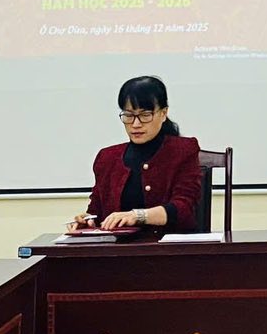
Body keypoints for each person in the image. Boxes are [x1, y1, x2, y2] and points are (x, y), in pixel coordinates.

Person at [67, 76, 203, 233]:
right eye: (129, 115)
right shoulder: (107, 158)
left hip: (168, 245)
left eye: (145, 115)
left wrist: (138, 216)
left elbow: (184, 208)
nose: (136, 124)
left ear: (163, 113)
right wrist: (86, 221)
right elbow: (97, 212)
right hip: (119, 246)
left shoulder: (183, 150)